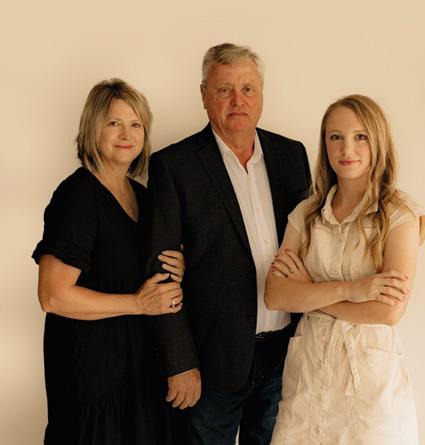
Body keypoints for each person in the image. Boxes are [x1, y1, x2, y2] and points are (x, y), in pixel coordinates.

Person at [145, 43, 311, 444]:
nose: (238, 101)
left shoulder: (292, 156)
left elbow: (314, 239)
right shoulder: (174, 166)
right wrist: (180, 363)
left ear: (261, 94)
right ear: (204, 96)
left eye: (247, 89)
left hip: (283, 354)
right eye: (224, 90)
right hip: (210, 361)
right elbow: (161, 275)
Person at [265, 94, 425, 444]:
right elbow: (275, 294)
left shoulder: (399, 214)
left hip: (370, 389)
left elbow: (388, 311)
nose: (346, 149)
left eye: (360, 136)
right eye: (335, 137)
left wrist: (309, 293)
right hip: (308, 378)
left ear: (378, 140)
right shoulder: (306, 214)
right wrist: (351, 290)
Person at [32, 78, 186, 445]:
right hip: (91, 369)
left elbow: (142, 269)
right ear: (93, 127)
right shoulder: (77, 197)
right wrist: (137, 303)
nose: (126, 134)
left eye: (136, 124)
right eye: (114, 123)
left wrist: (178, 265)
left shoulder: (143, 197)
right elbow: (52, 296)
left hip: (138, 366)